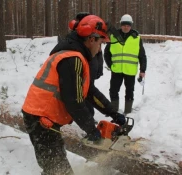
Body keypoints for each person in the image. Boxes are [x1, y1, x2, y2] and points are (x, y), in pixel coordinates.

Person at [21, 14, 126, 175]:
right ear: (92, 39)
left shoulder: (74, 55)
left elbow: (88, 91)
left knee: (54, 167)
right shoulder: (72, 59)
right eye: (100, 43)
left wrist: (112, 112)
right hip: (41, 119)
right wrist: (92, 130)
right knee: (59, 170)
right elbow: (74, 101)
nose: (100, 49)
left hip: (43, 117)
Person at [104, 14, 147, 114]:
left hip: (130, 70)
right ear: (121, 25)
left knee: (129, 92)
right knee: (113, 91)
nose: (126, 27)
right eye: (124, 24)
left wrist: (142, 70)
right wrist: (110, 65)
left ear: (131, 25)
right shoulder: (114, 37)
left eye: (128, 25)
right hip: (116, 70)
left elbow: (142, 55)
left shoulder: (136, 38)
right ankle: (114, 112)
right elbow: (107, 53)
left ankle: (128, 112)